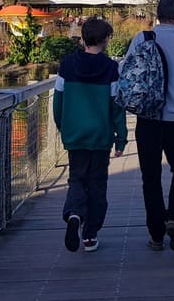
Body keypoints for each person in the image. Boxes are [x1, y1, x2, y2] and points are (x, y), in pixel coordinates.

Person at [123, 0, 174, 252]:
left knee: (150, 177)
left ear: (157, 15)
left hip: (148, 120)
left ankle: (156, 235)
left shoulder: (141, 39)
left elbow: (127, 75)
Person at [53, 18, 127, 253]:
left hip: (75, 134)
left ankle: (74, 214)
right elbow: (116, 106)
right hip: (100, 136)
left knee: (76, 178)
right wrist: (121, 137)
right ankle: (90, 235)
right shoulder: (110, 68)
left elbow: (58, 101)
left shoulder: (67, 64)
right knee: (97, 184)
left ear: (83, 38)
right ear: (106, 40)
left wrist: (63, 126)